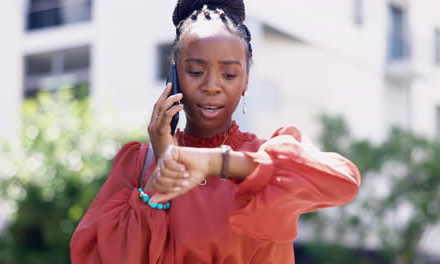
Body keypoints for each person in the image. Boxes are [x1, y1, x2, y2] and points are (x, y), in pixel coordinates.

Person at [70, 0, 361, 263]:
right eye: (196, 72)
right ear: (174, 76)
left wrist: (218, 163)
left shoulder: (266, 157)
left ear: (246, 79)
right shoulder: (138, 162)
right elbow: (92, 256)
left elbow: (344, 182)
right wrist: (158, 179)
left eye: (229, 74)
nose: (211, 85)